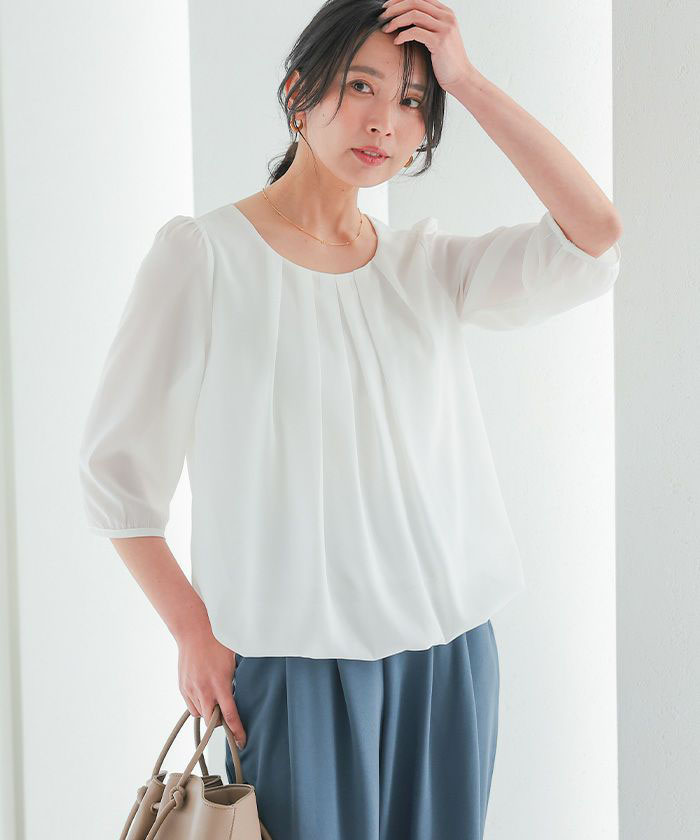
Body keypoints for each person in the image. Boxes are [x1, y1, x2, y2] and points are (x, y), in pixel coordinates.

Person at [77, 1, 622, 837]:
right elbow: (115, 475)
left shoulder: (424, 265)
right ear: (298, 94)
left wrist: (469, 82)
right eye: (360, 86)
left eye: (412, 100)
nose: (383, 121)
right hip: (292, 663)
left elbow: (594, 234)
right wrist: (193, 632)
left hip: (448, 655)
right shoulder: (205, 255)